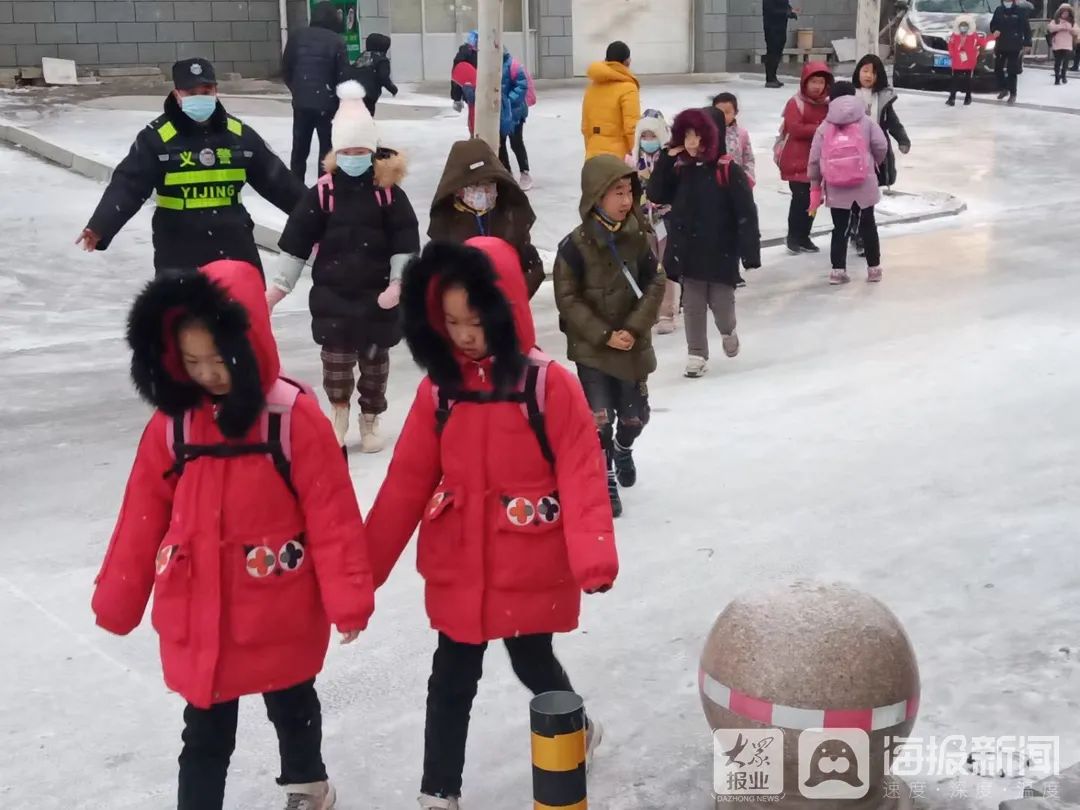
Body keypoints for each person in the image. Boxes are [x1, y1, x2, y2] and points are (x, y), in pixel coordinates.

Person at [92, 259, 374, 810]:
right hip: (200, 609)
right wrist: (119, 596)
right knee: (203, 733)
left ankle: (307, 784)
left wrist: (348, 599)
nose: (207, 373)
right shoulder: (174, 424)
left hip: (277, 607)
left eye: (219, 359)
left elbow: (332, 516)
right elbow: (142, 513)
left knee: (291, 703)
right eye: (192, 361)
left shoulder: (290, 418)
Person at [364, 236, 619, 810]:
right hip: (459, 564)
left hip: (527, 561)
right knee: (450, 679)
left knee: (533, 661)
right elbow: (404, 485)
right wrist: (362, 574)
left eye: (475, 322)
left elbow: (581, 475)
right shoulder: (440, 390)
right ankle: (438, 791)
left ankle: (577, 729)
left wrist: (594, 556)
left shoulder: (547, 385)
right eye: (451, 322)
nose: (463, 335)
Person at [266, 81, 420, 451]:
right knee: (335, 366)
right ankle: (338, 413)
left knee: (374, 367)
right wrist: (278, 288)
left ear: (372, 151)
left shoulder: (388, 193)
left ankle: (370, 418)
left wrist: (397, 283)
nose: (353, 157)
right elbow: (296, 241)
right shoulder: (323, 193)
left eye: (360, 150)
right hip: (333, 296)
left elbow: (405, 241)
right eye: (346, 151)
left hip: (378, 297)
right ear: (337, 151)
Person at [77, 58, 303, 276]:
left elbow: (278, 181)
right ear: (177, 94)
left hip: (234, 244)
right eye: (191, 93)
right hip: (178, 246)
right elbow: (128, 185)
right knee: (181, 304)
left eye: (206, 91)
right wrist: (100, 226)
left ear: (216, 91)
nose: (200, 98)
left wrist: (317, 216)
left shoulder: (238, 136)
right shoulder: (157, 138)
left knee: (244, 303)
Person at [553, 155, 665, 517]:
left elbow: (656, 281)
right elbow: (567, 299)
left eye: (629, 192)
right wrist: (604, 334)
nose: (626, 200)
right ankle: (607, 477)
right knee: (598, 420)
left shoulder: (638, 237)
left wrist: (632, 328)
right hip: (593, 349)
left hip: (631, 346)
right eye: (617, 192)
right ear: (596, 195)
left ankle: (623, 448)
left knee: (635, 418)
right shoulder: (573, 246)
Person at [647, 108, 761, 379]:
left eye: (697, 135)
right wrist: (666, 158)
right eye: (687, 135)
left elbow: (746, 212)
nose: (691, 142)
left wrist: (750, 252)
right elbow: (656, 193)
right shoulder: (681, 169)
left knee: (722, 305)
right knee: (693, 306)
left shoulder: (727, 169)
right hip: (688, 251)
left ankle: (728, 330)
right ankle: (696, 354)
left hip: (721, 252)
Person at [428, 138, 545, 297]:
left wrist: (514, 294)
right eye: (476, 185)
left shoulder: (508, 217)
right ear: (457, 189)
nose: (484, 191)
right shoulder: (446, 225)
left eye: (489, 183)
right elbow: (436, 280)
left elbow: (533, 267)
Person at [807, 81, 889, 285]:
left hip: (837, 185)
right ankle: (874, 269)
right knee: (868, 224)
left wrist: (815, 183)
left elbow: (815, 158)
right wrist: (872, 163)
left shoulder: (825, 126)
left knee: (840, 227)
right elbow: (881, 145)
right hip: (864, 182)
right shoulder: (866, 121)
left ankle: (838, 271)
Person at [282, 0, 348, 181]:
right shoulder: (337, 41)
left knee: (299, 148)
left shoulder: (297, 36)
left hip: (301, 103)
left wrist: (297, 89)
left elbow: (286, 68)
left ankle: (296, 187)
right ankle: (323, 187)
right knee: (326, 149)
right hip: (328, 104)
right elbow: (343, 75)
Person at [628, 109, 679, 333]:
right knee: (648, 266)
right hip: (643, 220)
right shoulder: (632, 161)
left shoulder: (670, 160)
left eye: (652, 136)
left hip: (666, 217)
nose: (648, 141)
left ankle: (668, 311)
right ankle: (651, 310)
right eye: (644, 136)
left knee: (666, 265)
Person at [776, 61, 833, 255]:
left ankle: (804, 236)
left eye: (821, 82)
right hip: (797, 159)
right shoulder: (795, 103)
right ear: (805, 82)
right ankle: (793, 236)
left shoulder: (828, 104)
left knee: (814, 199)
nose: (817, 86)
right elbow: (795, 129)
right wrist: (821, 129)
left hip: (817, 161)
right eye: (813, 81)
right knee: (800, 199)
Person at [582, 41, 641, 159]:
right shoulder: (629, 88)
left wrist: (591, 150)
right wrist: (635, 154)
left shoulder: (591, 88)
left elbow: (585, 127)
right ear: (627, 62)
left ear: (606, 60)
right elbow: (631, 127)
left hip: (592, 155)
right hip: (619, 158)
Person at [499, 48, 533, 190]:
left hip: (515, 112)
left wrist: (507, 100)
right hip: (499, 112)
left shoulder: (513, 66)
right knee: (500, 144)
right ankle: (506, 173)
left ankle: (525, 173)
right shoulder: (489, 65)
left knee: (516, 142)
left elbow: (522, 86)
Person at [990, 0, 1033, 104]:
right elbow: (993, 24)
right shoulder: (999, 10)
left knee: (1012, 70)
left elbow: (1026, 28)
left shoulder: (1020, 10)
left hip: (1015, 44)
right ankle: (1004, 88)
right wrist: (994, 30)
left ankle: (1013, 93)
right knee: (998, 68)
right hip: (1001, 44)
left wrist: (1028, 43)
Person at [712, 92, 756, 184]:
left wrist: (747, 179)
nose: (723, 116)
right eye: (719, 112)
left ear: (735, 113)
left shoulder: (742, 134)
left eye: (727, 112)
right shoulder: (707, 132)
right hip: (712, 182)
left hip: (736, 181)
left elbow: (748, 158)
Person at [947, 14, 990, 105]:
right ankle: (954, 98)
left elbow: (982, 42)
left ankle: (965, 97)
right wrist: (952, 54)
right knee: (956, 80)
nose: (963, 28)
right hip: (959, 61)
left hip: (967, 61)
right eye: (962, 26)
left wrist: (992, 37)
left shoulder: (973, 36)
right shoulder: (956, 35)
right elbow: (951, 45)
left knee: (966, 80)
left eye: (965, 26)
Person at [351, 33, 399, 115]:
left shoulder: (361, 57)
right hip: (369, 93)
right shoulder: (382, 60)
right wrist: (393, 89)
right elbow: (383, 77)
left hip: (353, 91)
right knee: (367, 114)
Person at [763, 0, 798, 88]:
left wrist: (790, 11)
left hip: (781, 28)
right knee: (773, 52)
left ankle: (773, 77)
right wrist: (786, 12)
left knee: (778, 52)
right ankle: (770, 79)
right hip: (772, 28)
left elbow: (784, 6)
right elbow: (770, 10)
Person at [1048, 4, 1078, 84]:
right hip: (1057, 44)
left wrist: (1070, 29)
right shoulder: (1055, 21)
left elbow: (1076, 31)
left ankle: (1064, 75)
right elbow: (1051, 28)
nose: (1065, 14)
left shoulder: (1072, 22)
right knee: (1057, 62)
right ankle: (1057, 77)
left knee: (1066, 62)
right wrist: (1061, 27)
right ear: (1060, 13)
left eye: (1067, 13)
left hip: (1068, 44)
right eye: (1064, 12)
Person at [450, 29, 478, 114]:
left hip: (476, 86)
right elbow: (456, 78)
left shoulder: (477, 53)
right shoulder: (465, 53)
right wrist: (457, 98)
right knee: (473, 108)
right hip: (470, 87)